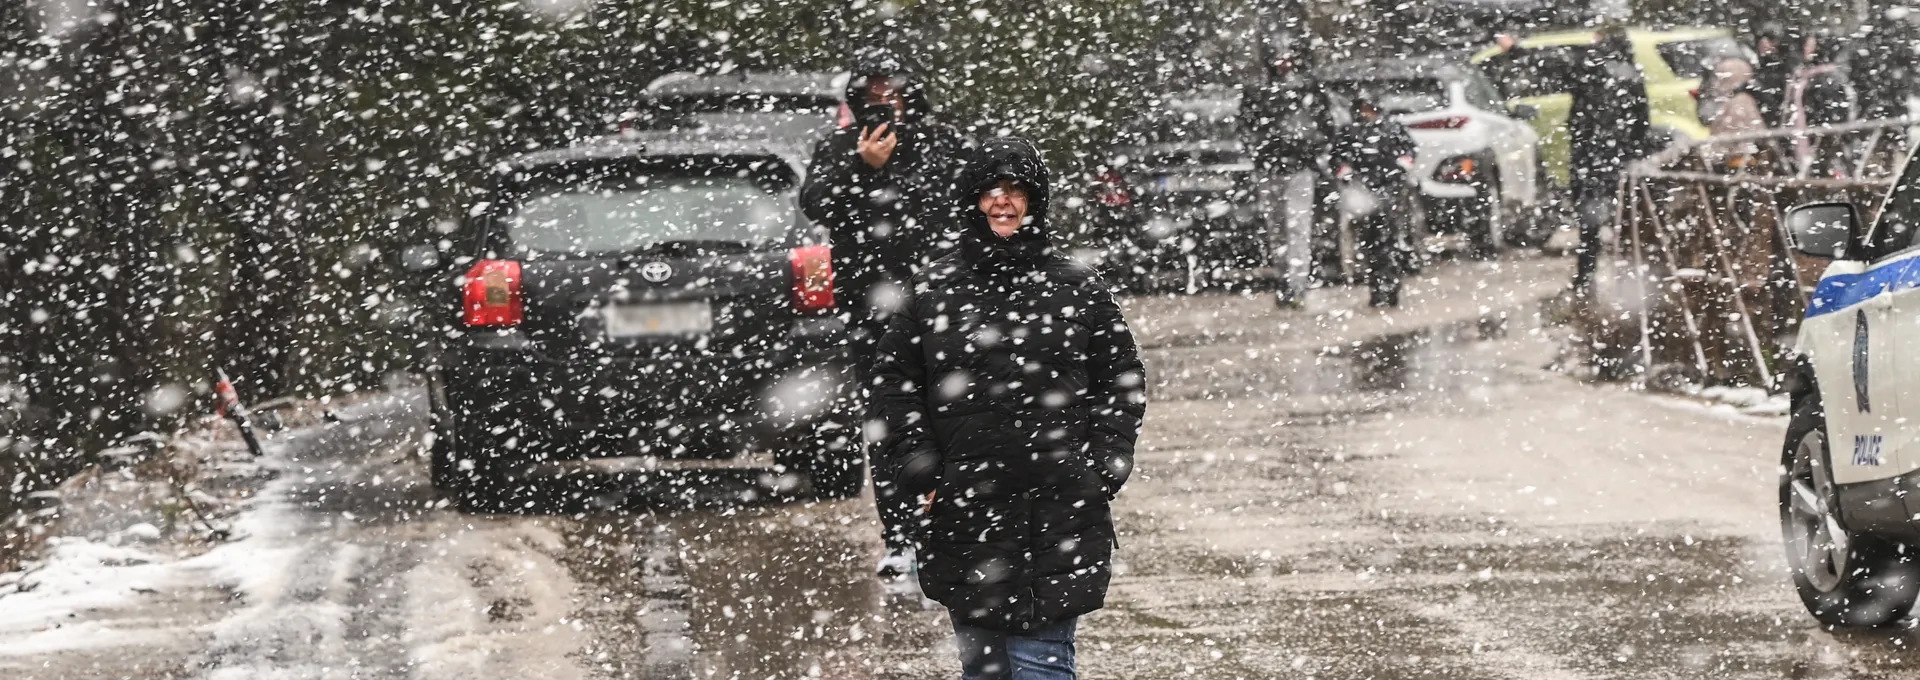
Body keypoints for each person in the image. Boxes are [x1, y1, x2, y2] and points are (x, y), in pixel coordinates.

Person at [868, 138, 1147, 679]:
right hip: (964, 507)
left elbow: (1122, 381)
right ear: (971, 199)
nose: (1003, 202)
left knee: (1042, 664)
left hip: (1059, 506)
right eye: (991, 190)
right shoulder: (931, 290)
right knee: (986, 670)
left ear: (1034, 201)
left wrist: (1104, 465)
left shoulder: (1077, 287)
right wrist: (924, 470)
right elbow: (894, 389)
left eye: (1016, 190)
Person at [800, 46, 970, 580]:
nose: (884, 103)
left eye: (893, 92)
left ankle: (955, 527)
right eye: (872, 94)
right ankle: (900, 537)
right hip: (871, 313)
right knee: (889, 424)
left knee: (959, 420)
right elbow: (816, 205)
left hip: (946, 306)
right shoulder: (838, 147)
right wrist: (863, 167)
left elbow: (972, 206)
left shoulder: (944, 145)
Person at [1488, 26, 1651, 293]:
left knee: (1590, 221)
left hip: (1590, 155)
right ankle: (1629, 279)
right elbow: (1641, 120)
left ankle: (1586, 277)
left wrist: (1515, 49)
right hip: (1616, 157)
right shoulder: (1630, 72)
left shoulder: (1590, 66)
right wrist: (1633, 154)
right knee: (1621, 217)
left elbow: (1549, 65)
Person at [1245, 20, 1333, 307]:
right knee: (1277, 230)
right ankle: (1286, 283)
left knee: (1297, 228)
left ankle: (1297, 285)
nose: (1284, 61)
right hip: (1270, 168)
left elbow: (1325, 126)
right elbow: (1246, 127)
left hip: (1298, 168)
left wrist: (1306, 144)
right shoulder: (1257, 91)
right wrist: (1263, 148)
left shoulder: (1308, 88)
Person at [1327, 96, 1416, 307]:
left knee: (1389, 241)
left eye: (1369, 109)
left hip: (1388, 191)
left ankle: (1390, 286)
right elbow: (1337, 158)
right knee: (1371, 243)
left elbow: (1409, 151)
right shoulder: (1349, 133)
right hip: (1363, 194)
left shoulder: (1392, 129)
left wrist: (1399, 169)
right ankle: (1378, 287)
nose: (1366, 114)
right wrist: (1346, 173)